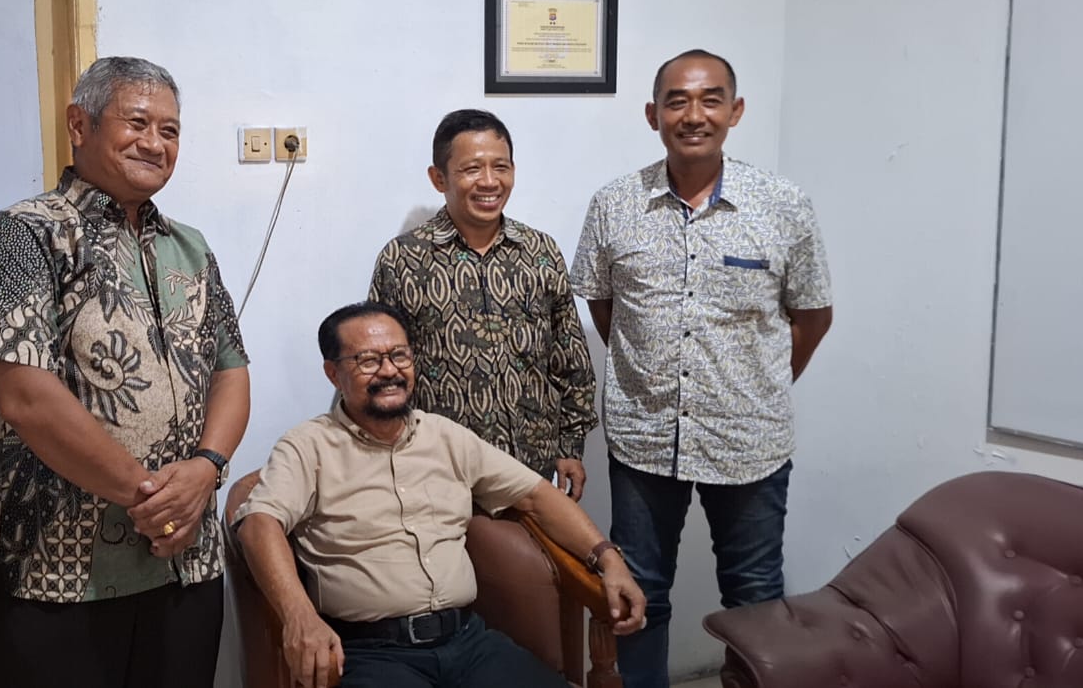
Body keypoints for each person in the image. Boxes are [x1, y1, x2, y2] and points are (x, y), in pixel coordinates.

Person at [0, 56, 250, 688]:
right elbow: (25, 398)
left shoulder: (191, 247)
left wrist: (206, 470)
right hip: (55, 573)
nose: (155, 143)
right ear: (79, 125)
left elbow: (231, 368)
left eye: (170, 130)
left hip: (184, 563)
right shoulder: (19, 236)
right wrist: (156, 501)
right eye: (136, 122)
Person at [570, 49, 834, 687]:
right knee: (638, 594)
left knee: (754, 597)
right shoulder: (614, 204)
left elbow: (813, 315)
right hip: (644, 437)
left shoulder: (783, 205)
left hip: (749, 440)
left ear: (735, 111)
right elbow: (605, 307)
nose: (694, 115)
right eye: (677, 101)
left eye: (711, 99)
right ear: (652, 114)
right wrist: (649, 370)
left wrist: (755, 385)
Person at [234, 301, 646, 688]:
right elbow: (259, 524)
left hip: (468, 642)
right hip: (372, 654)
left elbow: (536, 496)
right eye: (368, 360)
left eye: (399, 355)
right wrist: (300, 615)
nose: (389, 371)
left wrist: (609, 560)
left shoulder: (446, 436)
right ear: (333, 373)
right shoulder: (307, 446)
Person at [368, 109, 597, 497]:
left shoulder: (540, 252)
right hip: (438, 470)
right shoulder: (402, 260)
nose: (490, 182)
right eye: (472, 169)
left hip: (532, 467)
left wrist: (570, 447)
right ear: (439, 178)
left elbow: (570, 359)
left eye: (500, 167)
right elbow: (379, 368)